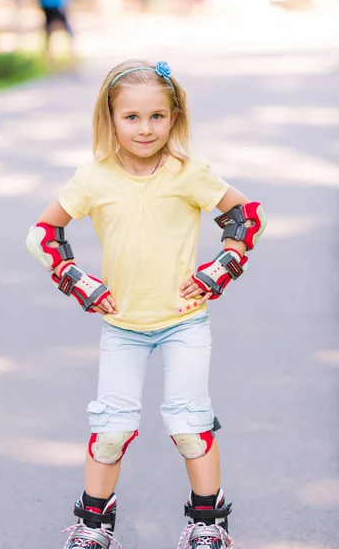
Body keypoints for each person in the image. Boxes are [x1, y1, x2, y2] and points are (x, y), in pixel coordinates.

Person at [26, 59, 267, 549]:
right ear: (110, 119)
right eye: (131, 117)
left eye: (158, 116)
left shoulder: (188, 173)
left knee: (189, 423)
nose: (145, 127)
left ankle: (208, 525)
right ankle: (93, 529)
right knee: (110, 429)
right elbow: (42, 233)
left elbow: (245, 216)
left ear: (174, 118)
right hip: (122, 325)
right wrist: (78, 280)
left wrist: (220, 267)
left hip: (184, 322)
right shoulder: (92, 178)